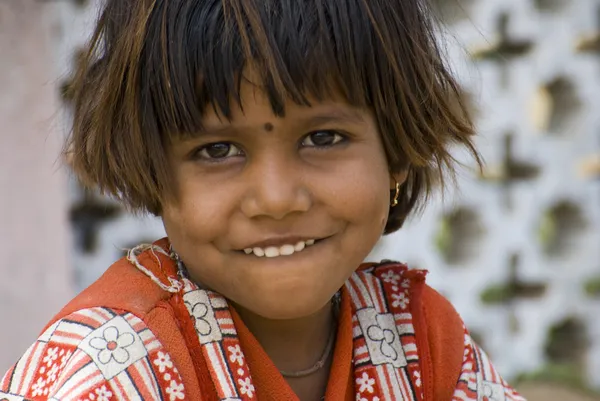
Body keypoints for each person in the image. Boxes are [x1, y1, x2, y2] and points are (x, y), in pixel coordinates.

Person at [0, 0, 525, 400]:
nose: (276, 200)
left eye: (323, 138)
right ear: (150, 168)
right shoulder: (111, 372)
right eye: (217, 150)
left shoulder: (420, 340)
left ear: (398, 150)